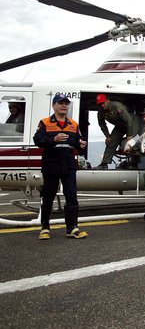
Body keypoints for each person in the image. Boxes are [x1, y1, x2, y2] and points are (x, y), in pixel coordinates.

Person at [34, 94, 88, 240]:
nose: (64, 106)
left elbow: (76, 142)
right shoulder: (45, 123)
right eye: (60, 103)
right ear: (54, 105)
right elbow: (37, 140)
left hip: (68, 166)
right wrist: (53, 139)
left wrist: (80, 144)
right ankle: (45, 228)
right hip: (51, 166)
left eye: (66, 103)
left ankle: (72, 228)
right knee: (48, 196)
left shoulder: (73, 124)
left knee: (71, 196)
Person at [95, 94, 138, 170]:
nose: (102, 105)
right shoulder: (100, 112)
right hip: (120, 125)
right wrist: (107, 136)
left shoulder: (117, 106)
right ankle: (104, 164)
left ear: (107, 101)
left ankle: (134, 163)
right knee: (111, 141)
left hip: (131, 121)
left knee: (132, 142)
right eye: (99, 104)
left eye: (103, 103)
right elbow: (102, 124)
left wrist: (130, 135)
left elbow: (128, 120)